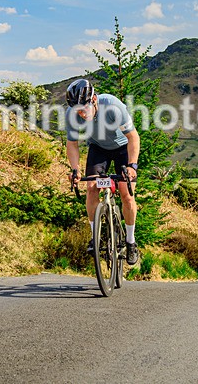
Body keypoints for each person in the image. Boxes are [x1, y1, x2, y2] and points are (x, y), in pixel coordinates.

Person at [65, 79, 140, 266]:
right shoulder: (71, 114)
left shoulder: (113, 106)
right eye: (78, 111)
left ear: (95, 100)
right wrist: (75, 170)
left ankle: (130, 242)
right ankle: (95, 237)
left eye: (84, 108)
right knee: (91, 188)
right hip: (98, 148)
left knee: (126, 194)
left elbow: (133, 137)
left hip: (123, 148)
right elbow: (72, 144)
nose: (81, 113)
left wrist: (132, 166)